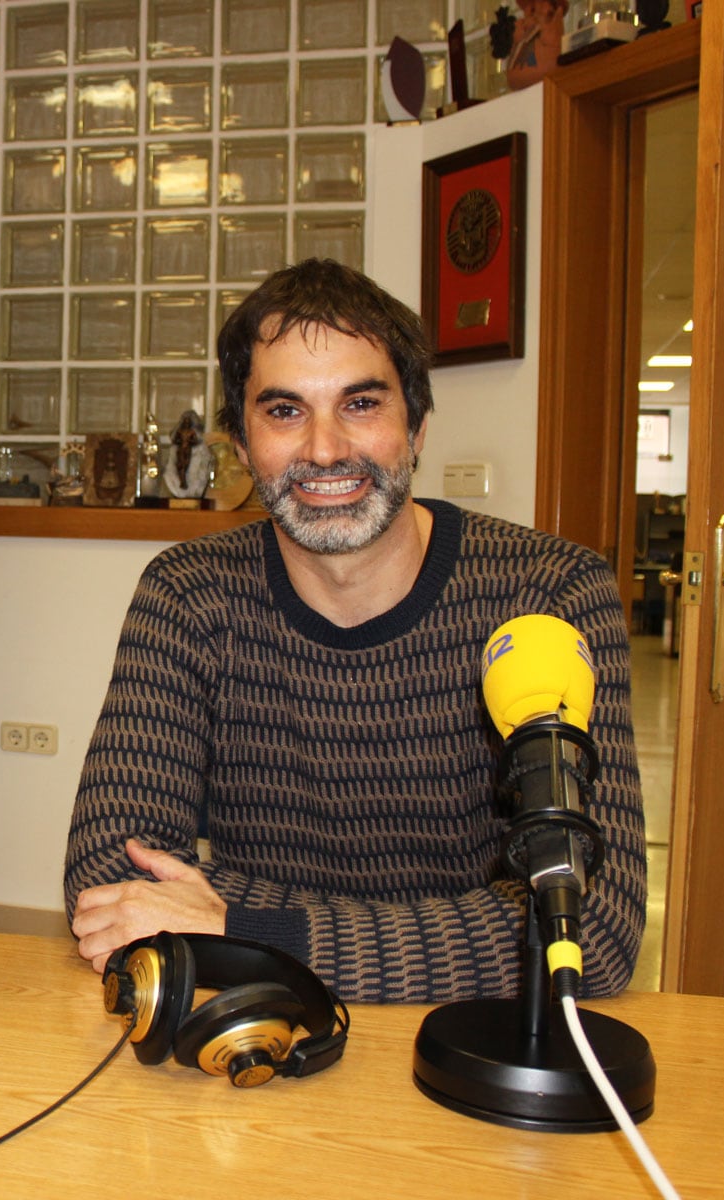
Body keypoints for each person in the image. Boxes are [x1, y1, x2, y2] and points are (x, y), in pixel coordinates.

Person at [63, 259, 646, 1004]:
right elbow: (111, 884)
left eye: (361, 403)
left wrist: (240, 928)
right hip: (262, 1028)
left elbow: (590, 929)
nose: (325, 449)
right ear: (240, 446)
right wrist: (465, 926)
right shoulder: (189, 595)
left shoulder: (550, 594)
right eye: (284, 411)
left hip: (470, 1038)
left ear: (417, 427)